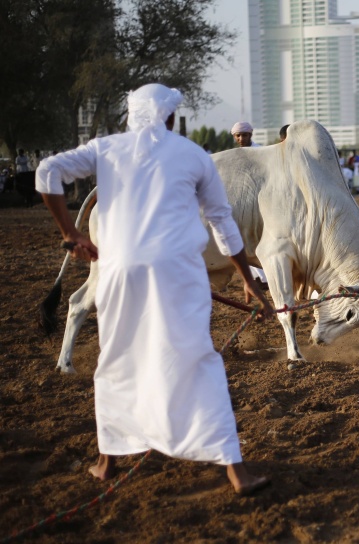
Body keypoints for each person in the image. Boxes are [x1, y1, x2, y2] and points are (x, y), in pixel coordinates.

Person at [35, 83, 274, 496]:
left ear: (132, 115)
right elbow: (222, 221)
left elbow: (46, 172)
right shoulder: (192, 154)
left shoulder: (106, 147)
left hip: (119, 271)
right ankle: (236, 473)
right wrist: (249, 279)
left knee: (116, 357)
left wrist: (71, 233)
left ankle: (106, 463)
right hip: (178, 272)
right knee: (198, 360)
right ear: (168, 118)